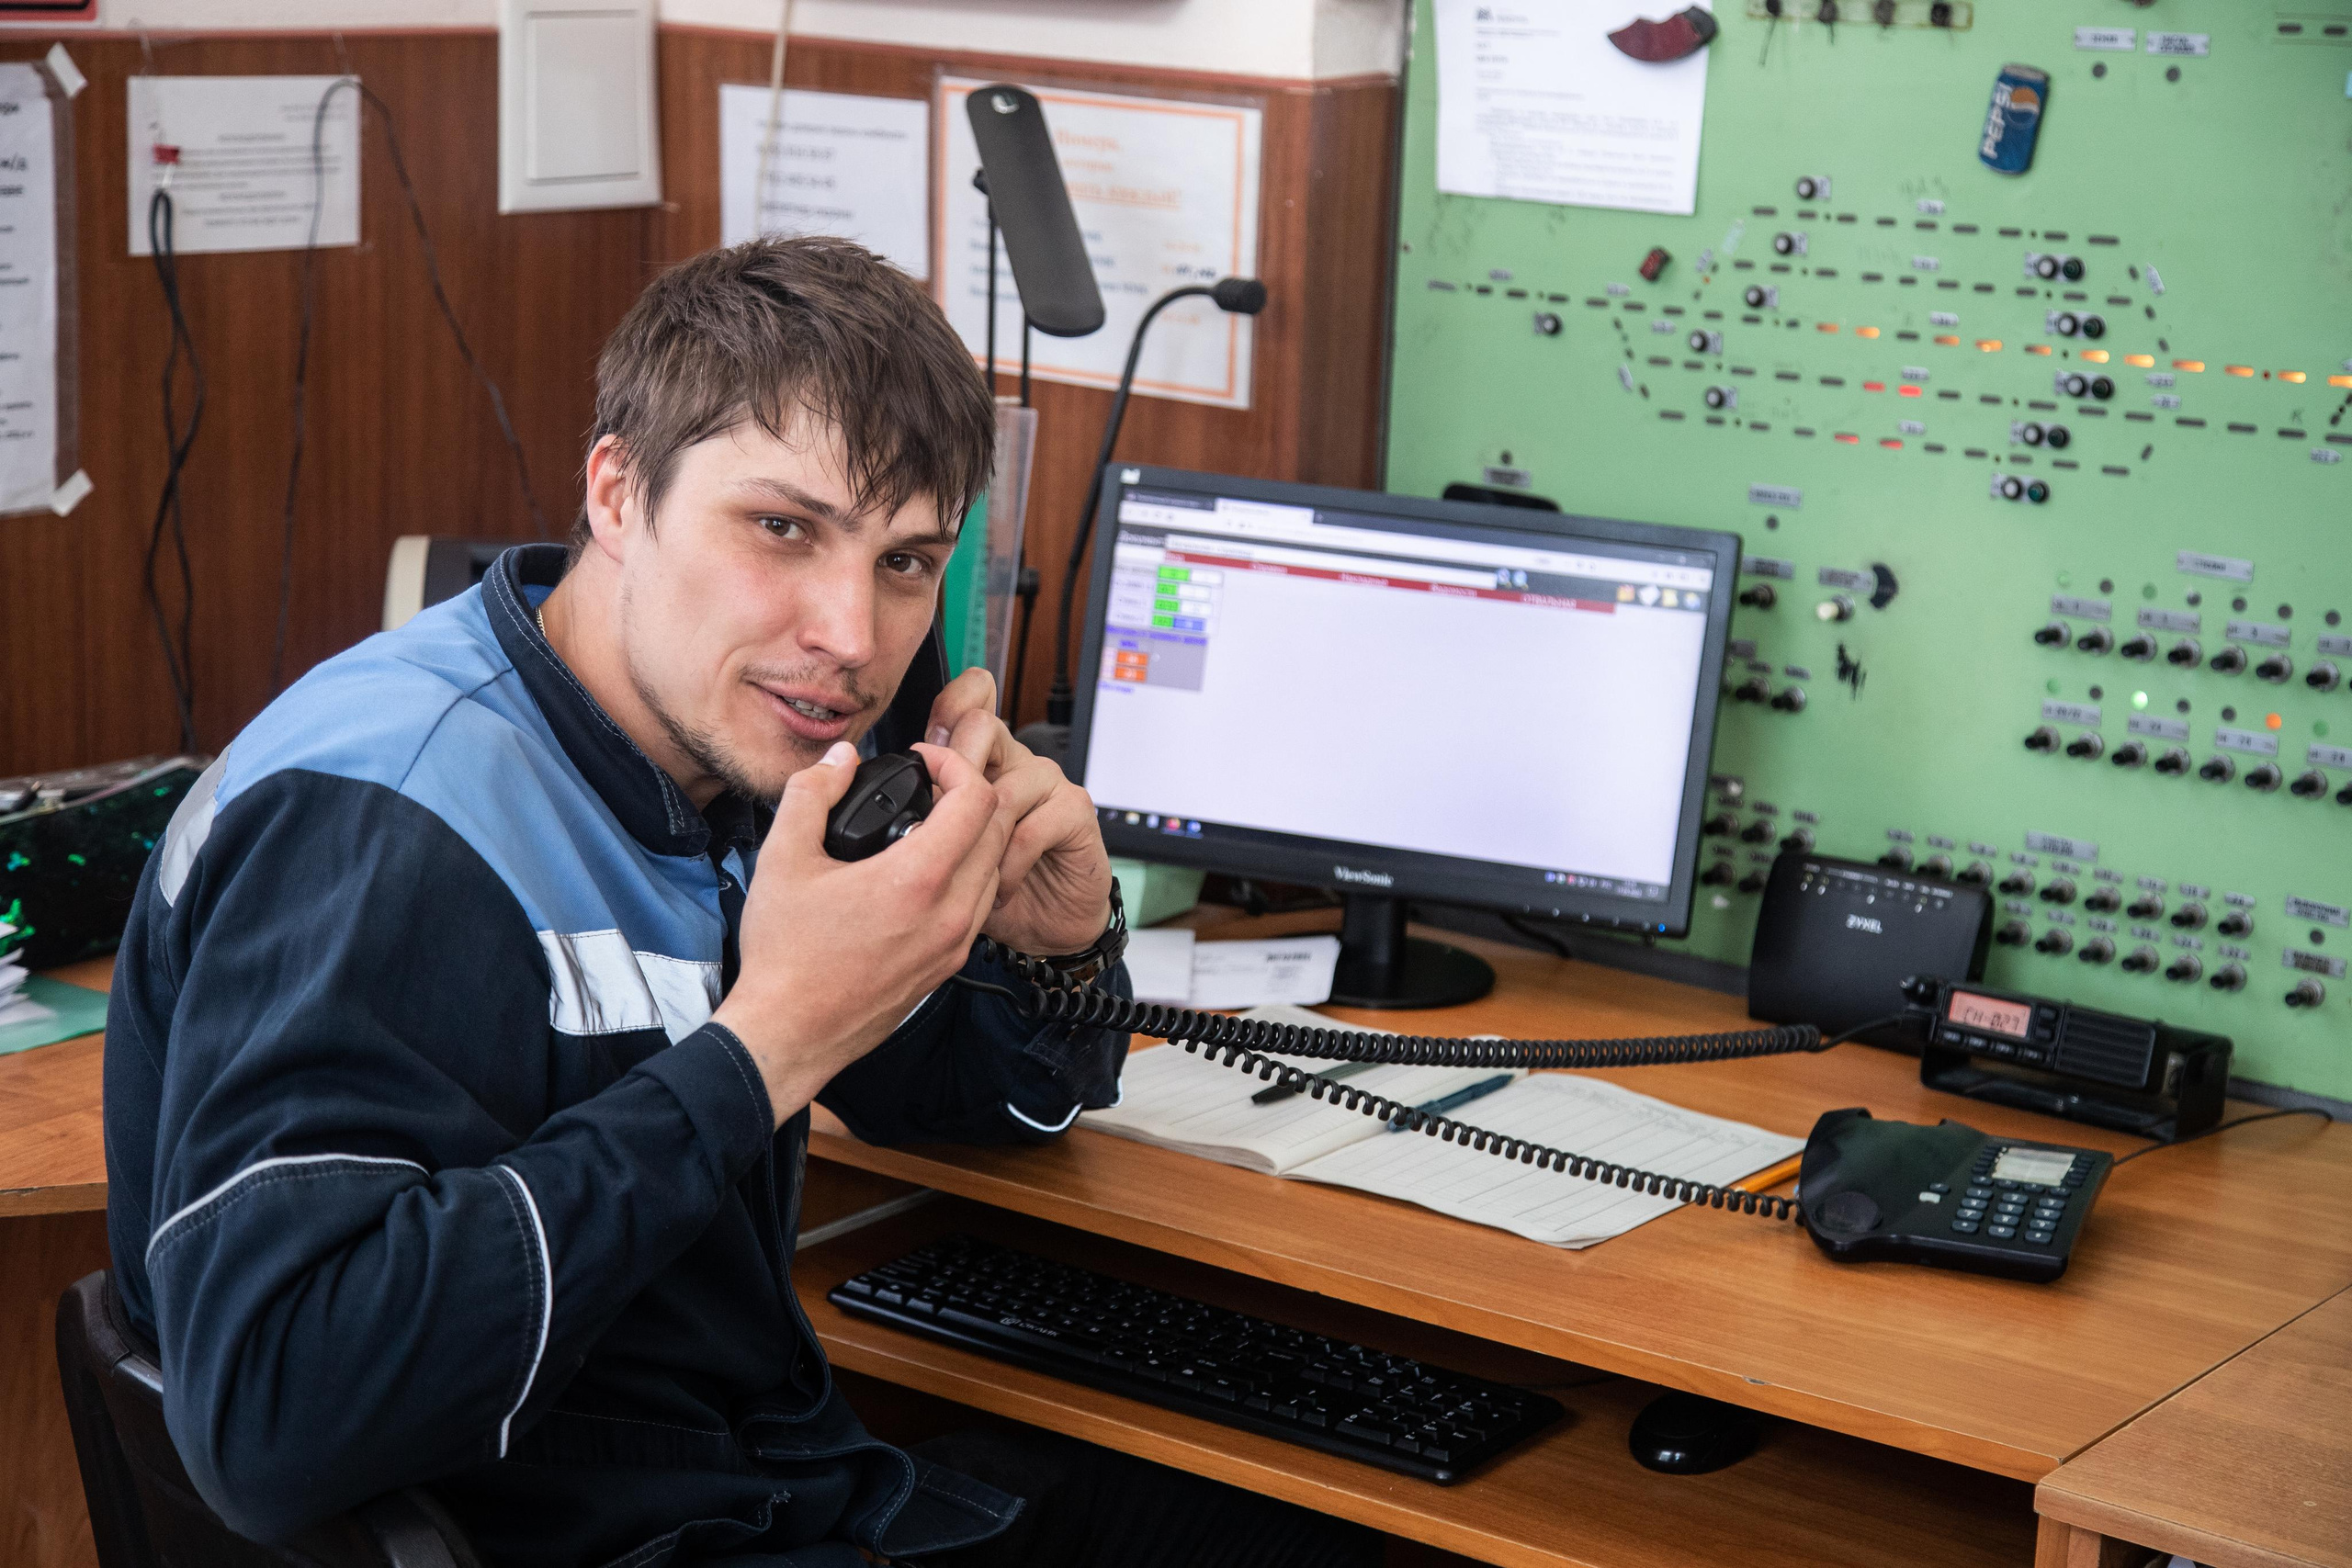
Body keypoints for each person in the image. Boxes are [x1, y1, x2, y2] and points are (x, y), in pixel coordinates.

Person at [104, 236, 1379, 1568]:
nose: (851, 636)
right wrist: (766, 1044)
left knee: (1294, 1527)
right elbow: (270, 1423)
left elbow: (946, 1109)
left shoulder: (740, 753)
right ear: (616, 492)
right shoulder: (393, 827)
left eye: (904, 562)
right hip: (612, 1533)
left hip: (742, 1480)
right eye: (783, 529)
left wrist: (1054, 951)